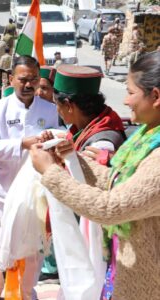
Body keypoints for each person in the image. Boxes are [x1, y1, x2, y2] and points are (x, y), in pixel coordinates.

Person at [30, 50, 160, 300]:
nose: (125, 101)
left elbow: (111, 206)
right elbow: (117, 180)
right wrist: (72, 160)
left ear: (155, 97)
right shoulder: (147, 136)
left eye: (131, 93)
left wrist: (51, 173)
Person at [0, 56, 59, 300]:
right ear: (10, 78)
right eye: (23, 79)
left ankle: (27, 295)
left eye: (33, 80)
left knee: (31, 253)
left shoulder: (49, 109)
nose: (28, 85)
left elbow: (59, 141)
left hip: (34, 196)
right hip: (2, 194)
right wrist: (23, 144)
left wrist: (52, 139)